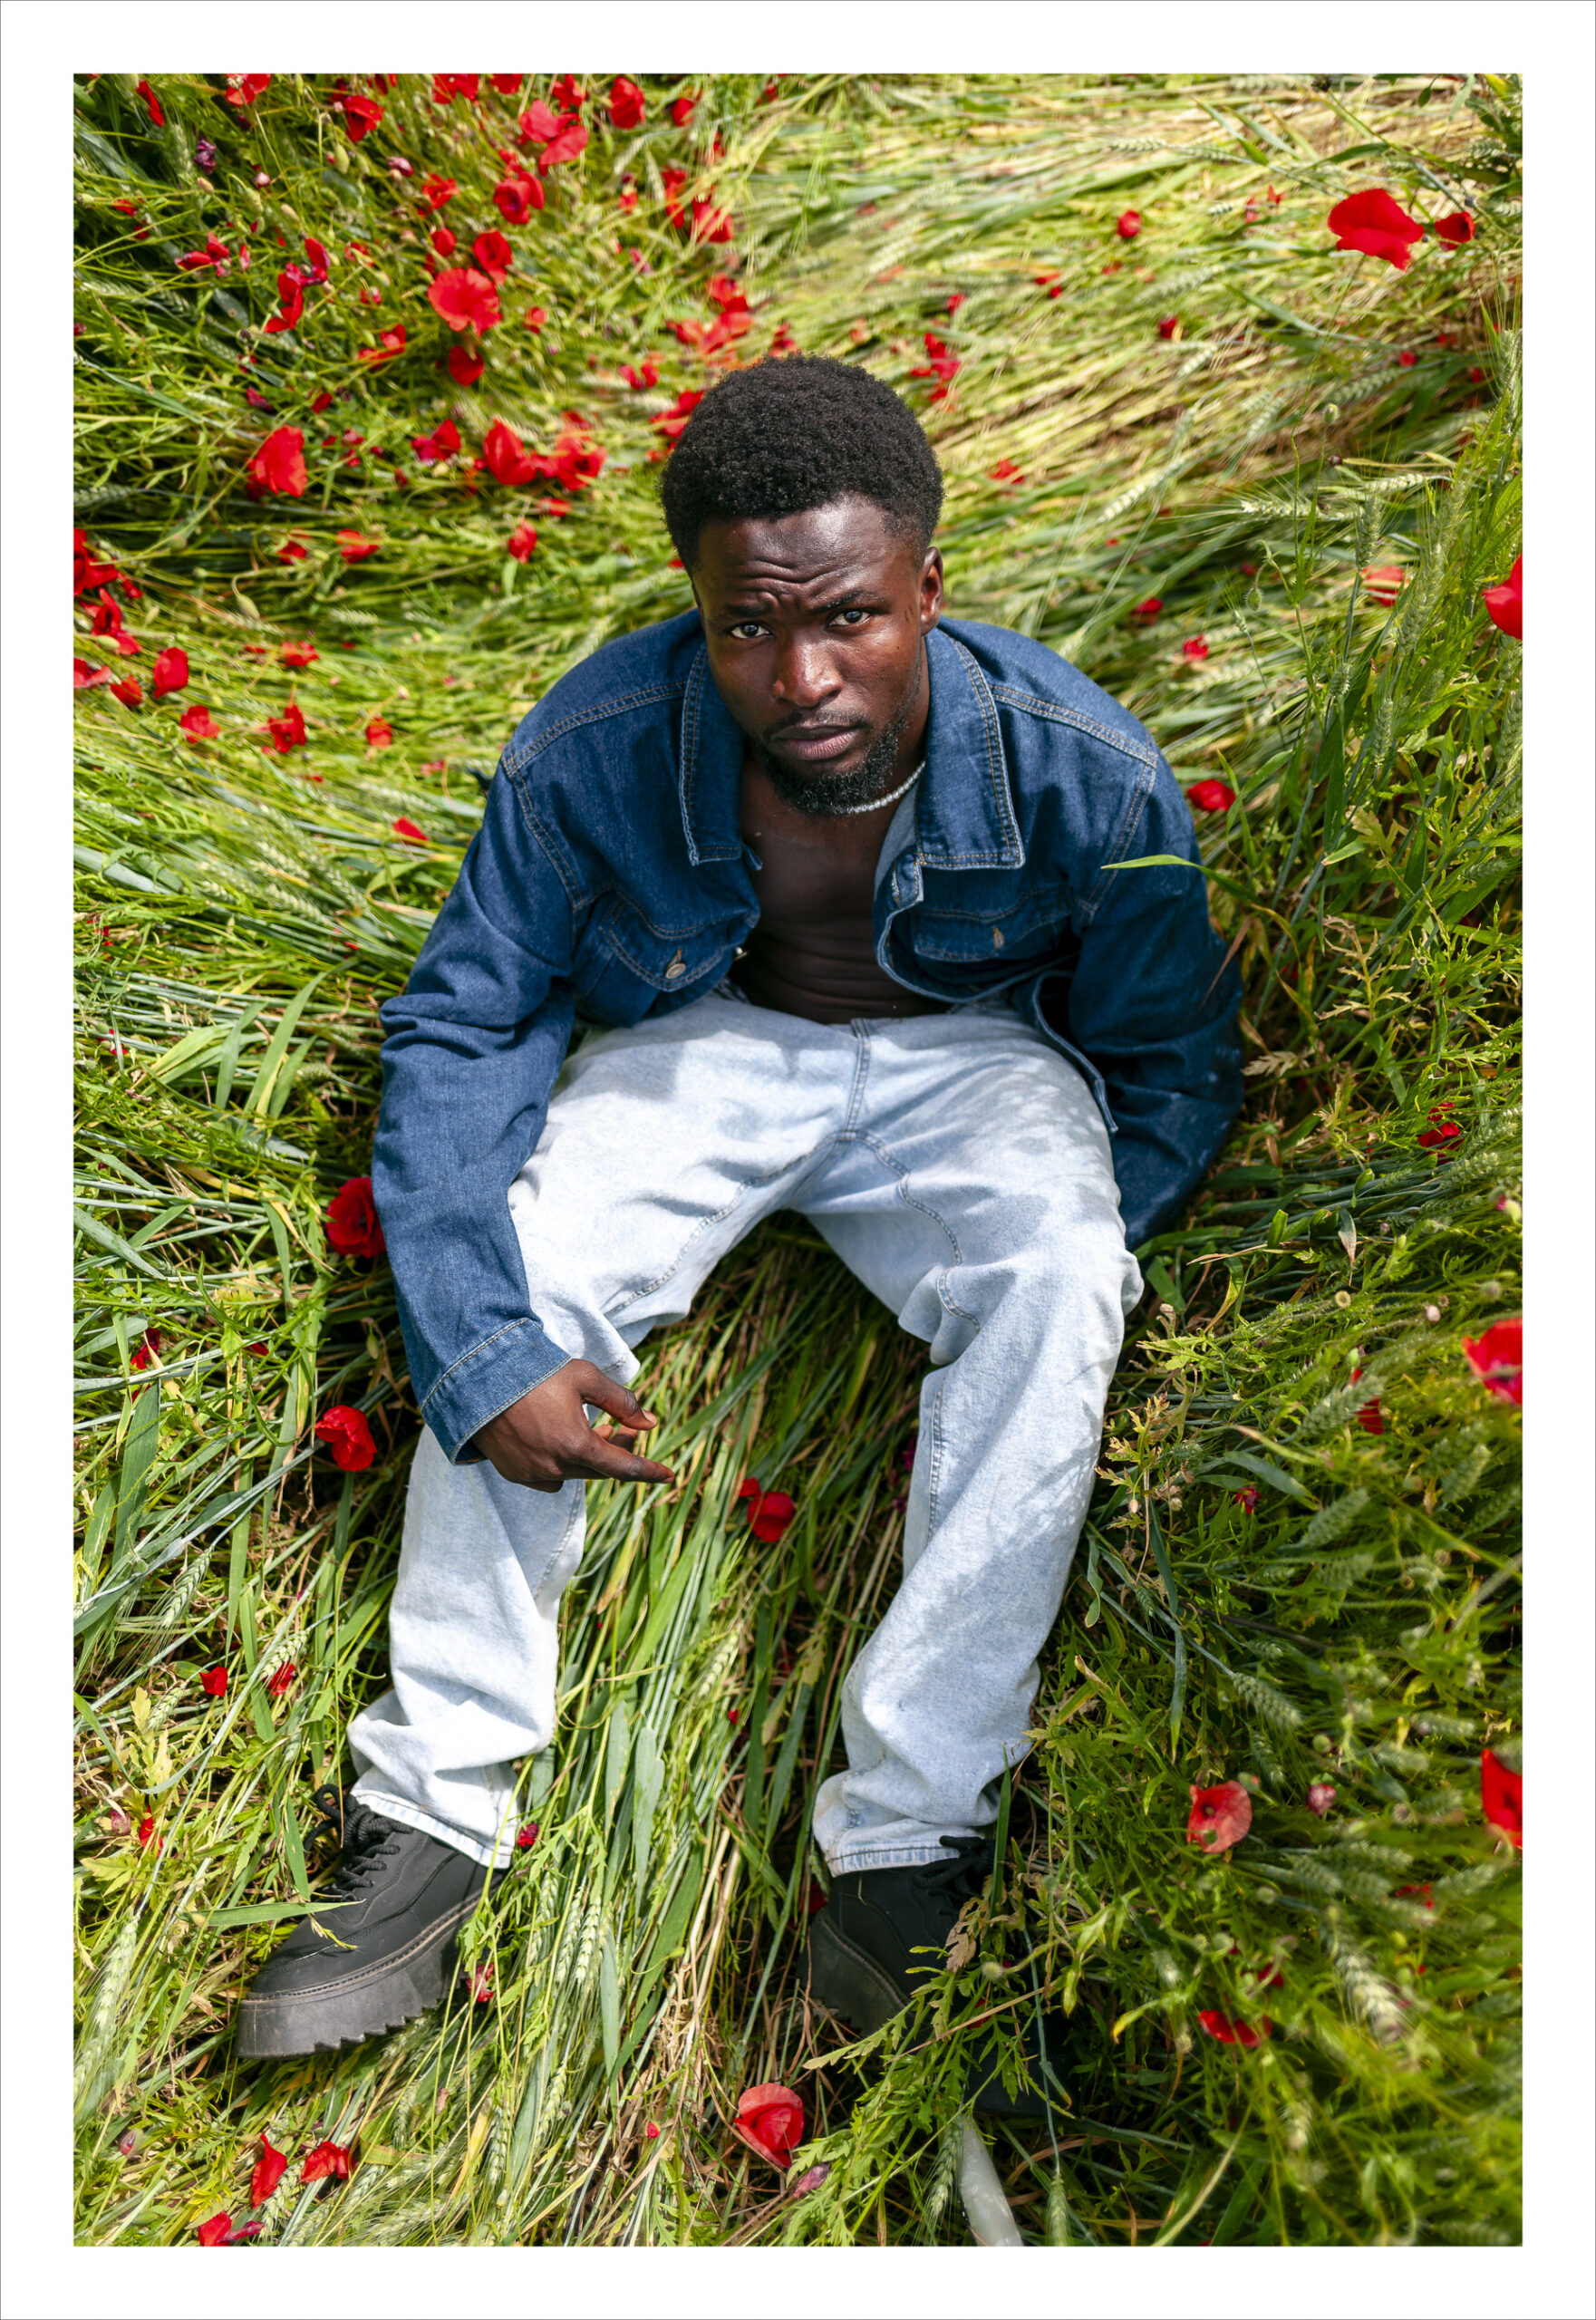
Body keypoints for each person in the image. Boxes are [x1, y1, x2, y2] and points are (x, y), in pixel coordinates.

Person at [236, 357, 1242, 2102]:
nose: (802, 679)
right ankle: (429, 1821)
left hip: (967, 1058)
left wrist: (1050, 1273)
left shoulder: (1086, 772)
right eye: (747, 629)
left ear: (928, 585)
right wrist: (482, 1346)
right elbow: (469, 1022)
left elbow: (1167, 1059)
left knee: (1063, 1270)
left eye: (850, 617)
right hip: (707, 1033)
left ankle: (904, 1844)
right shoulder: (592, 747)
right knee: (530, 1267)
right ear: (693, 608)